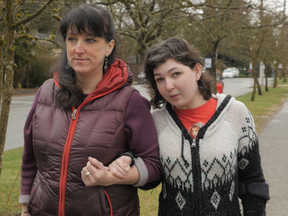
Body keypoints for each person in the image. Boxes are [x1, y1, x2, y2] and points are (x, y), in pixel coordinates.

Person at [19, 4, 162, 216]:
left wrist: (112, 176)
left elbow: (153, 166)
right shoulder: (46, 92)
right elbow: (31, 156)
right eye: (72, 39)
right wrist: (25, 206)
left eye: (90, 40)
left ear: (109, 47)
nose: (78, 49)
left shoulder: (129, 100)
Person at [113, 36, 269, 215]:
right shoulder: (155, 121)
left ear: (196, 71)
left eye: (175, 74)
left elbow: (253, 182)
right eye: (160, 79)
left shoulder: (236, 113)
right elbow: (150, 180)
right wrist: (127, 159)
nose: (168, 86)